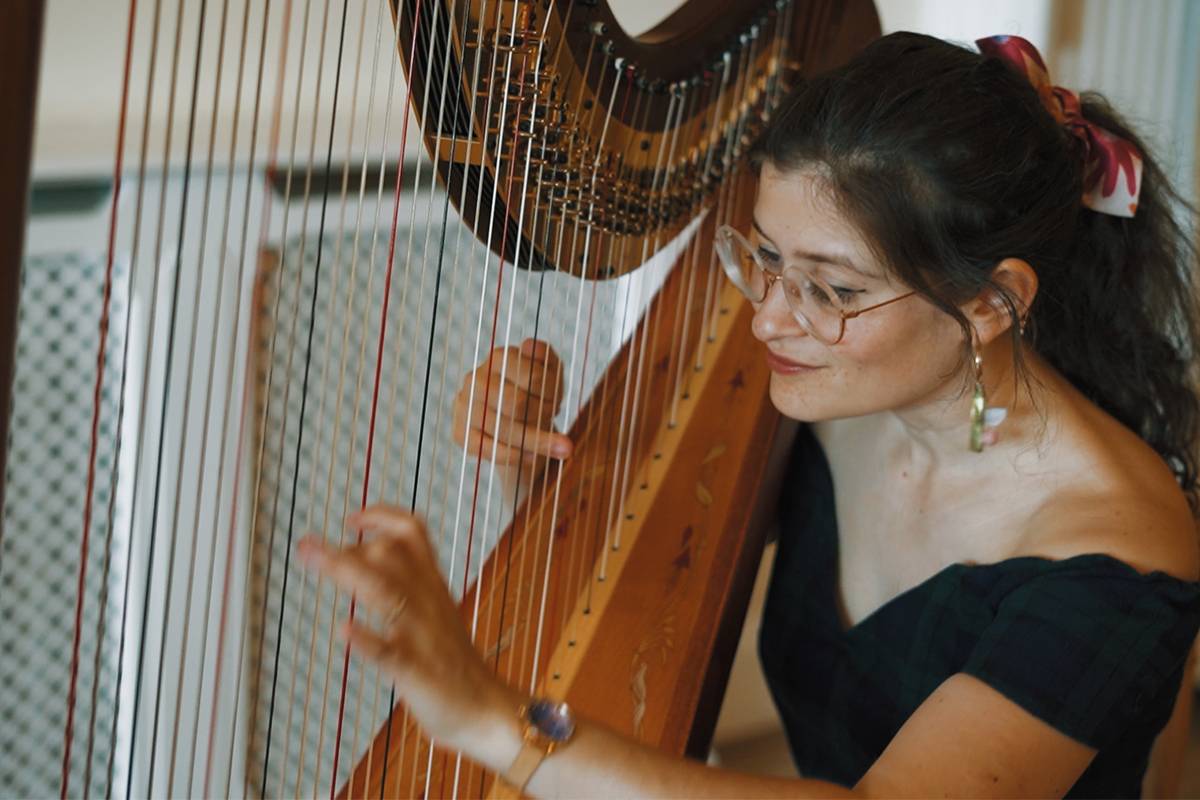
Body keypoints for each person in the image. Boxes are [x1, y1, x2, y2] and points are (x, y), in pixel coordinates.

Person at [297, 32, 1200, 797]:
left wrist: (500, 724)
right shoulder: (840, 405)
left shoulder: (1113, 561)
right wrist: (530, 465)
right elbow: (636, 568)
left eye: (832, 290)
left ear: (993, 303)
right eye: (765, 258)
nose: (767, 318)